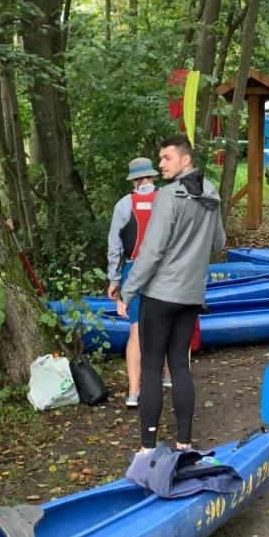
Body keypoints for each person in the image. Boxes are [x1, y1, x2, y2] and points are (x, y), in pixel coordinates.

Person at [119, 135, 224, 452]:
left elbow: (151, 252)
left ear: (185, 159)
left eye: (166, 158)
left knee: (151, 366)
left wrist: (127, 292)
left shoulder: (168, 197)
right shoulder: (211, 194)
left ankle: (148, 447)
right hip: (191, 295)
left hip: (160, 295)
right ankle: (184, 442)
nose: (161, 163)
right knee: (179, 364)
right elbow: (218, 243)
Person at [106, 157, 160, 408]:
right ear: (151, 176)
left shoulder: (123, 205)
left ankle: (133, 392)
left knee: (136, 331)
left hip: (133, 270)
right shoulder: (166, 200)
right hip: (164, 271)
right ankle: (169, 377)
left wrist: (114, 280)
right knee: (166, 326)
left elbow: (115, 246)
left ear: (134, 180)